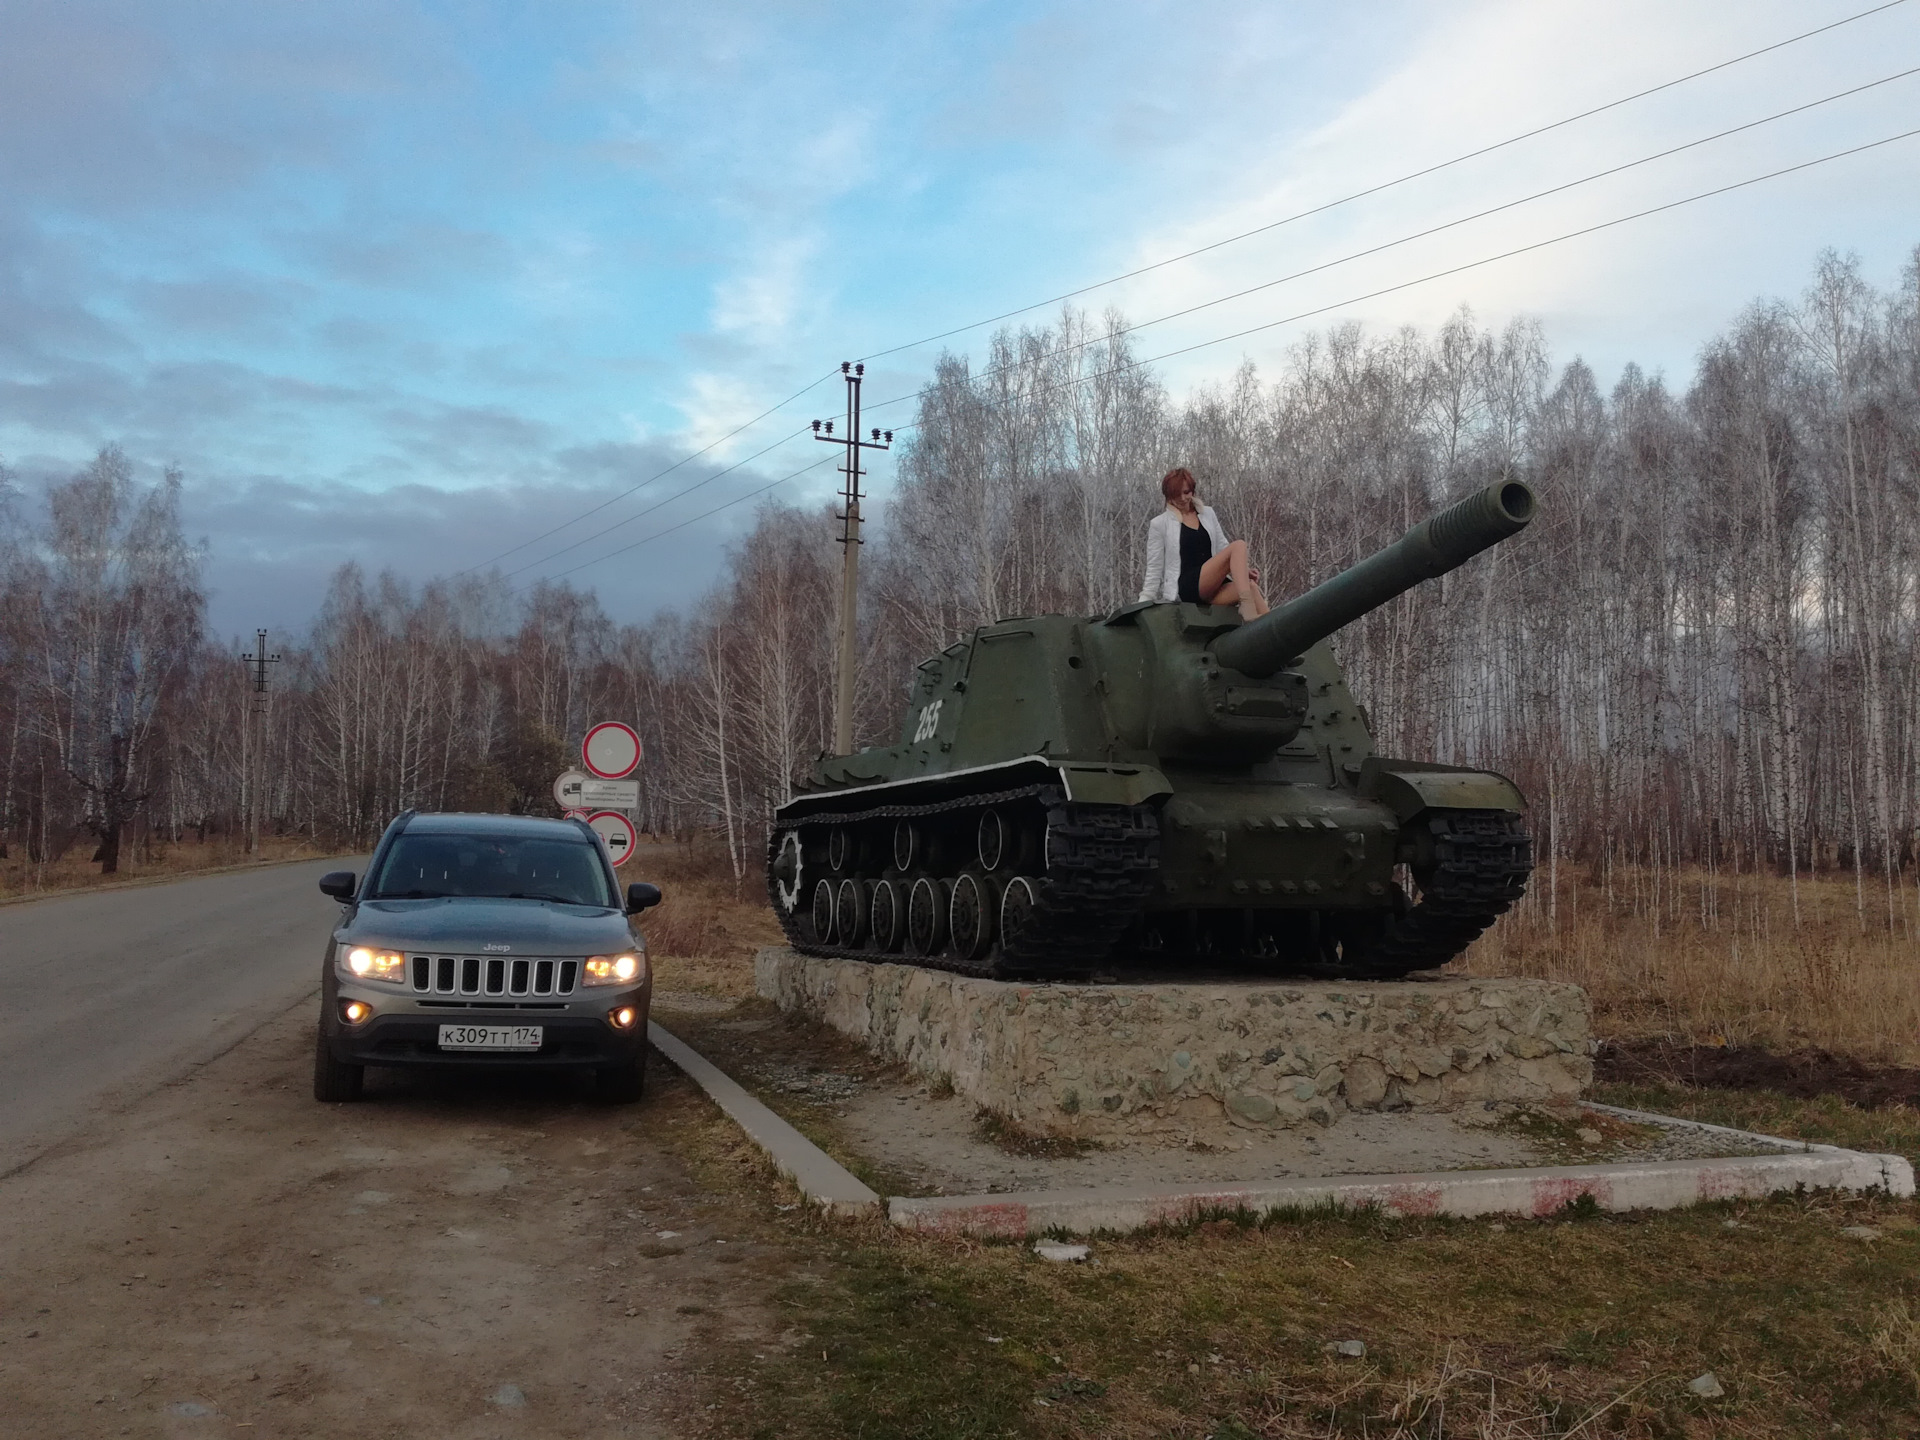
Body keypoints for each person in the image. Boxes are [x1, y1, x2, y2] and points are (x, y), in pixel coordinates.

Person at [1137, 467, 1269, 621]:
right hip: (1189, 587)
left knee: (1250, 586)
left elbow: (1223, 548)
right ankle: (1247, 609)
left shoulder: (1208, 514)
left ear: (1192, 491)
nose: (1182, 498)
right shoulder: (1160, 524)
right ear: (1168, 496)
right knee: (1239, 545)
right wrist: (1143, 603)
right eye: (1175, 494)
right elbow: (1154, 568)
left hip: (1213, 586)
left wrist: (1243, 571)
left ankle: (1277, 633)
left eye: (1186, 492)